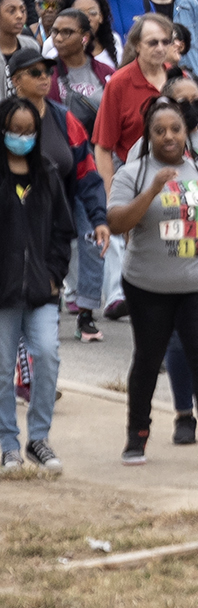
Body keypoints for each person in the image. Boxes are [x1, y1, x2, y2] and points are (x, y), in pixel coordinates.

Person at [106, 95, 198, 467]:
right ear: (149, 135)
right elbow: (117, 223)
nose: (168, 136)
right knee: (148, 359)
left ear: (186, 132)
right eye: (160, 131)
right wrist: (152, 190)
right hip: (148, 286)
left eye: (175, 129)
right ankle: (137, 435)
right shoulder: (133, 174)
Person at [0, 94, 78, 471]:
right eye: (15, 130)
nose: (22, 137)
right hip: (3, 294)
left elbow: (63, 231)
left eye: (29, 131)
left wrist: (53, 275)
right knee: (2, 369)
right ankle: (7, 443)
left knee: (47, 355)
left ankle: (39, 439)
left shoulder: (46, 174)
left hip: (41, 290)